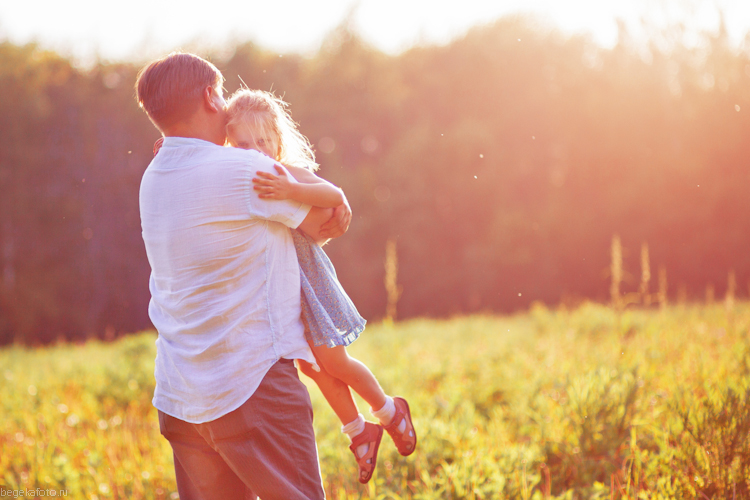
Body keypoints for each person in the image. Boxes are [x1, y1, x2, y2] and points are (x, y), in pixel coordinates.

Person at [136, 52, 350, 500]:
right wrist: (340, 202)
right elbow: (323, 222)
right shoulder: (243, 169)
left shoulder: (152, 177)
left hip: (180, 396)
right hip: (253, 385)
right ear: (210, 97)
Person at [224, 89, 417, 484]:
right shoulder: (238, 176)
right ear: (229, 145)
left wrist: (291, 191)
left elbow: (334, 195)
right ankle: (359, 432)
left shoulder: (285, 174)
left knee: (334, 363)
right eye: (243, 145)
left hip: (309, 285)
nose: (255, 151)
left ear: (277, 142)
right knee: (311, 367)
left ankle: (389, 410)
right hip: (283, 293)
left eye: (263, 141)